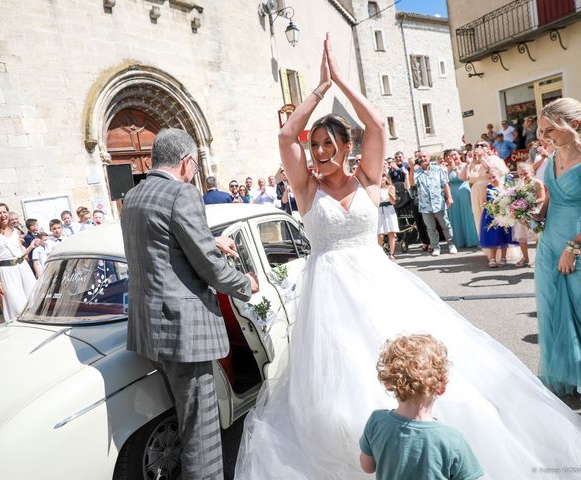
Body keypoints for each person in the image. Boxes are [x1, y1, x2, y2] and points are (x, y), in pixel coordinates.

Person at [234, 35, 581, 480]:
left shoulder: (368, 178)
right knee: (336, 394)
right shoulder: (306, 188)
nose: (318, 153)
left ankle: (424, 446)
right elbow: (286, 135)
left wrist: (341, 81)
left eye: (326, 144)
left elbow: (376, 124)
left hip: (377, 284)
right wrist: (319, 88)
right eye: (314, 145)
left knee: (412, 367)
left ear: (345, 146)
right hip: (328, 297)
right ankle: (368, 453)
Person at [120, 128, 259, 480]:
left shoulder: (134, 196)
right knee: (202, 430)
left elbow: (161, 245)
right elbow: (209, 269)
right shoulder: (182, 194)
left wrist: (212, 240)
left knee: (186, 416)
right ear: (186, 162)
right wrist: (246, 283)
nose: (194, 174)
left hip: (150, 330)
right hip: (185, 333)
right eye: (194, 167)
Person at [360, 334, 483, 479]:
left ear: (390, 382)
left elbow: (367, 467)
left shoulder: (377, 422)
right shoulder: (452, 440)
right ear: (441, 387)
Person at [534, 97, 581, 396]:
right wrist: (535, 213)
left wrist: (573, 249)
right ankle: (570, 376)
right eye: (541, 131)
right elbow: (551, 197)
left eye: (549, 130)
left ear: (574, 125)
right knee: (552, 310)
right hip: (549, 242)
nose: (544, 137)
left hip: (575, 244)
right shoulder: (551, 160)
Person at [0, 203, 38, 322]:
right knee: (17, 307)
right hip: (7, 271)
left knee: (33, 300)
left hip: (23, 267)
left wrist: (31, 247)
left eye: (4, 212)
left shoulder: (15, 231)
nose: (2, 215)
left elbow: (20, 253)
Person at [407, 151, 457, 257]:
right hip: (425, 205)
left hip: (439, 202)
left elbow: (445, 184)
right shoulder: (416, 172)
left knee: (445, 224)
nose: (423, 158)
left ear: (429, 158)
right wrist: (411, 168)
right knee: (430, 228)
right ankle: (435, 247)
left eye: (425, 156)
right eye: (420, 157)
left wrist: (449, 197)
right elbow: (412, 184)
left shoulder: (438, 169)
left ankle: (451, 244)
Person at [479, 168, 517, 268]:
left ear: (500, 175)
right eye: (489, 178)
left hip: (504, 213)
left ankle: (503, 257)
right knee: (493, 235)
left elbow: (511, 199)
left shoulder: (505, 187)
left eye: (494, 177)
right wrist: (491, 207)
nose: (492, 179)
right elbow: (483, 202)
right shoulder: (487, 187)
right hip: (491, 215)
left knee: (504, 234)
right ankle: (492, 258)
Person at [512, 162, 545, 267]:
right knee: (522, 236)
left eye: (525, 173)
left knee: (537, 236)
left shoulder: (537, 182)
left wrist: (531, 203)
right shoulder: (519, 184)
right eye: (520, 174)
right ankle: (525, 257)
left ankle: (538, 258)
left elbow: (543, 198)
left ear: (532, 172)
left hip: (535, 211)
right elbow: (514, 197)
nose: (523, 176)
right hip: (522, 212)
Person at [446, 149, 479, 249]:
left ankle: (472, 240)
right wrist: (449, 169)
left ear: (459, 155)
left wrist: (455, 169)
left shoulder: (466, 164)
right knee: (455, 216)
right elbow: (446, 181)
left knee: (467, 214)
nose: (453, 157)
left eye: (455, 155)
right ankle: (459, 241)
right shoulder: (448, 168)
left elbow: (465, 177)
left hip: (464, 190)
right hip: (453, 193)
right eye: (451, 156)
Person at [376, 173, 398, 260]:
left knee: (391, 232)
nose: (382, 178)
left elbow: (393, 202)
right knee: (380, 234)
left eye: (383, 176)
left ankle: (392, 254)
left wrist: (390, 194)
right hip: (379, 210)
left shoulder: (391, 187)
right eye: (380, 176)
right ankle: (380, 252)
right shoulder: (376, 189)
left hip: (389, 209)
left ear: (386, 178)